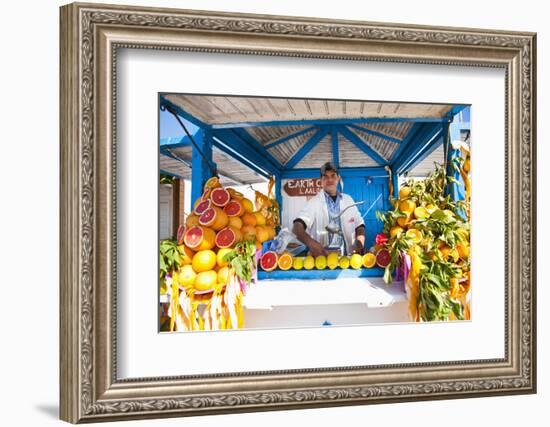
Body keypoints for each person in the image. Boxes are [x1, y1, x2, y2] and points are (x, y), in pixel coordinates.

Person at [292, 162, 366, 257]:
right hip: (321, 261)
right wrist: (311, 243)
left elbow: (360, 225)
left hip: (347, 259)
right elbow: (297, 227)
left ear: (338, 178)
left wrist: (359, 243)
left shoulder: (348, 200)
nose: (330, 179)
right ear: (321, 181)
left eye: (333, 175)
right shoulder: (314, 202)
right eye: (325, 176)